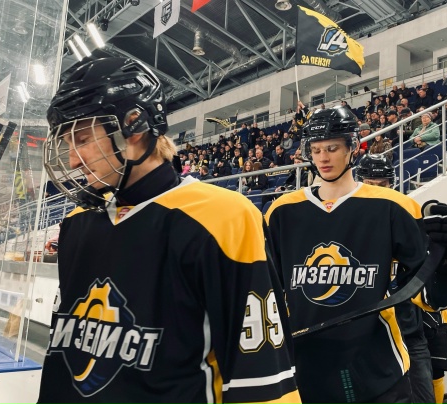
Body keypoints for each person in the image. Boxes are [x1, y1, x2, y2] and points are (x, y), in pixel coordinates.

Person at [38, 57, 300, 404]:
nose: (73, 160)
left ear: (134, 125)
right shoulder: (77, 222)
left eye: (82, 140)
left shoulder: (225, 217)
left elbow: (262, 378)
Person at [265, 106, 447, 404]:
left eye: (332, 148)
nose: (323, 157)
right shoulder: (281, 211)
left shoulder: (393, 206)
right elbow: (266, 290)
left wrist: (445, 265)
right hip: (305, 365)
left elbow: (432, 299)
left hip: (378, 368)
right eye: (316, 149)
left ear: (352, 147)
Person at [355, 153, 447, 404]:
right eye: (370, 184)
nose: (377, 190)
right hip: (363, 334)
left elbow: (439, 283)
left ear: (392, 183)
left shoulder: (411, 217)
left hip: (411, 328)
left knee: (428, 386)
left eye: (382, 184)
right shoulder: (347, 225)